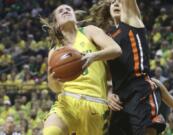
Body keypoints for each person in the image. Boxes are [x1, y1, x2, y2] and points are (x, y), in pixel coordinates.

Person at [42, 4, 122, 135]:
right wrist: (52, 79)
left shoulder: (89, 31)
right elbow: (55, 88)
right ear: (56, 24)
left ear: (76, 18)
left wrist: (93, 56)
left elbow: (116, 50)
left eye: (68, 9)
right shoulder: (54, 52)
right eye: (60, 11)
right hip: (67, 102)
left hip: (95, 103)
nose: (65, 11)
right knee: (51, 132)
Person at [90, 0, 167, 135]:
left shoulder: (131, 20)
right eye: (112, 2)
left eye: (118, 1)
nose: (115, 3)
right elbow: (107, 74)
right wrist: (108, 93)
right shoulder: (106, 39)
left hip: (140, 89)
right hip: (119, 98)